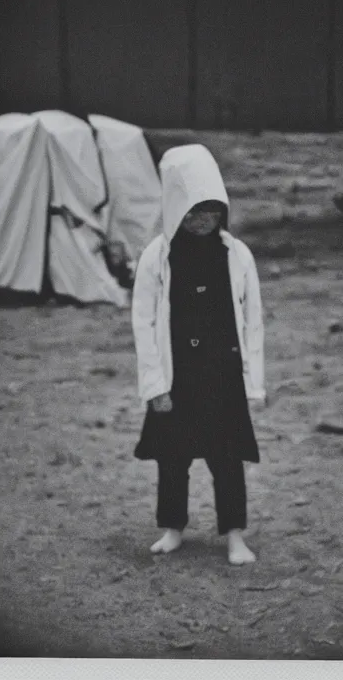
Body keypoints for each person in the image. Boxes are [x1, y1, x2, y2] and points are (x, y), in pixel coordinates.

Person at [131, 144, 265, 565]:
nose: (200, 219)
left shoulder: (237, 255)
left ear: (222, 210)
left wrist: (253, 383)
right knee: (173, 458)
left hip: (223, 375)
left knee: (228, 459)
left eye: (208, 210)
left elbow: (253, 322)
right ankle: (173, 528)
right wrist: (155, 385)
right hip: (178, 378)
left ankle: (235, 536)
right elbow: (144, 324)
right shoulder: (158, 257)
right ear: (174, 210)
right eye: (190, 211)